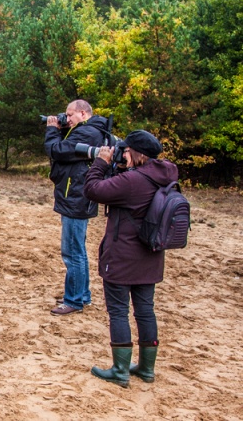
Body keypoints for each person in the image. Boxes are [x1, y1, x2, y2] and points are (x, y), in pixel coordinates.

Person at [83, 130, 177, 387]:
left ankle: (121, 370)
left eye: (126, 151)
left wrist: (100, 162)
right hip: (151, 254)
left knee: (118, 311)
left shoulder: (133, 181)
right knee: (145, 311)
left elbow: (92, 189)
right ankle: (146, 368)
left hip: (123, 255)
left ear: (138, 154)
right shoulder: (164, 175)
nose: (122, 154)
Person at [44, 100, 106, 315]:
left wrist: (52, 130)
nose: (67, 119)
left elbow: (56, 150)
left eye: (70, 115)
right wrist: (62, 130)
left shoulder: (87, 132)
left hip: (76, 197)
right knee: (77, 249)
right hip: (77, 195)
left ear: (82, 113)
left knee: (72, 251)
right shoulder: (89, 130)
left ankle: (74, 300)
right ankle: (82, 294)